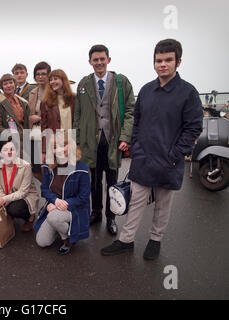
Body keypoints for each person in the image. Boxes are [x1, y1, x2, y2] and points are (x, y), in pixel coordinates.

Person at [101, 39, 203, 260]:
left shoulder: (188, 93)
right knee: (135, 201)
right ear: (154, 62)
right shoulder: (146, 90)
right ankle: (126, 240)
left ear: (178, 62)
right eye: (158, 60)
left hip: (169, 161)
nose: (162, 64)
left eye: (168, 60)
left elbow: (194, 128)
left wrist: (176, 155)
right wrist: (136, 147)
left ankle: (155, 240)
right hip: (143, 158)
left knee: (163, 206)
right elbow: (136, 121)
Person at [73, 44, 135, 236]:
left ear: (108, 60)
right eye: (95, 60)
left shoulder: (121, 82)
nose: (99, 63)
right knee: (94, 181)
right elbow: (78, 114)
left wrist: (125, 137)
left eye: (102, 59)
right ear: (90, 62)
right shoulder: (83, 83)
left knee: (112, 181)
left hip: (113, 141)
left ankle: (111, 217)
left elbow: (131, 111)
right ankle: (96, 212)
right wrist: (76, 140)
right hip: (90, 142)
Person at [35, 134, 90, 255]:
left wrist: (61, 204)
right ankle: (61, 228)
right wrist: (54, 201)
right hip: (55, 207)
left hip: (75, 209)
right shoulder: (49, 166)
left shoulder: (82, 169)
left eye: (62, 145)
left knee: (53, 217)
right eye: (55, 147)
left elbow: (84, 197)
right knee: (42, 242)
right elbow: (44, 189)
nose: (58, 150)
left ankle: (68, 238)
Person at [0, 139, 39, 232]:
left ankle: (30, 217)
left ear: (17, 152)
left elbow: (23, 192)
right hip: (8, 194)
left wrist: (5, 200)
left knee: (14, 209)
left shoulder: (25, 166)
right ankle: (9, 215)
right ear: (0, 153)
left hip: (26, 196)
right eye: (5, 150)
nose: (9, 152)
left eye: (12, 149)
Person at [41, 69, 76, 162]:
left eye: (55, 79)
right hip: (54, 144)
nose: (52, 82)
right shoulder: (45, 102)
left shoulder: (74, 99)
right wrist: (43, 151)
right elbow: (44, 128)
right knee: (55, 173)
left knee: (71, 172)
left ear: (63, 80)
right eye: (50, 80)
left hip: (71, 142)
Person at [0, 73, 30, 159]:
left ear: (15, 84)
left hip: (24, 139)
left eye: (10, 82)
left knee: (26, 167)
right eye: (5, 84)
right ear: (2, 87)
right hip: (8, 141)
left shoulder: (22, 101)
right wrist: (11, 135)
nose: (8, 85)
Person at [28, 61, 52, 181]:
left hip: (49, 134)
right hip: (34, 134)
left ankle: (52, 196)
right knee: (36, 170)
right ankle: (48, 192)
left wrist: (40, 118)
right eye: (38, 74)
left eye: (44, 74)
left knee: (49, 168)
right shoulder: (32, 93)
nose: (41, 76)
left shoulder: (55, 92)